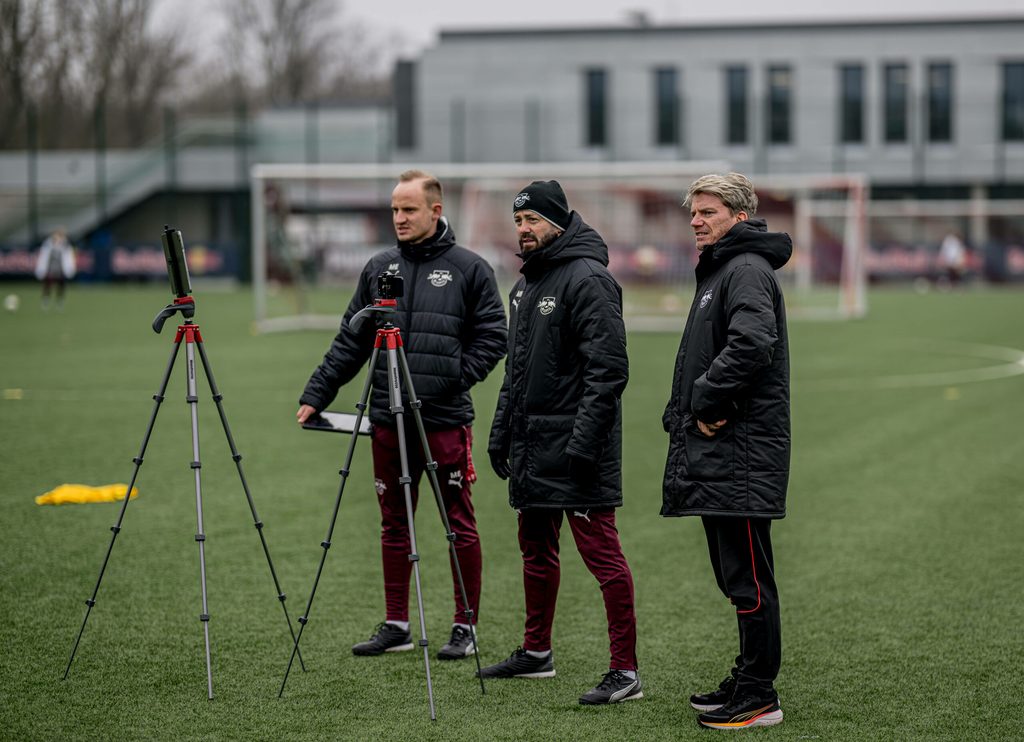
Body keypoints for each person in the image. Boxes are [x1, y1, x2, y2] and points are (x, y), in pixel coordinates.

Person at [297, 170, 507, 661]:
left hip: (444, 419)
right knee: (394, 523)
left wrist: (453, 377)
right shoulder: (377, 267)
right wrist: (318, 393)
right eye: (394, 209)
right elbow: (352, 339)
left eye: (409, 209)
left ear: (436, 210)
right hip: (387, 420)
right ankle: (397, 624)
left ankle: (465, 625)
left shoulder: (470, 268)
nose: (399, 218)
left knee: (459, 522)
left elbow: (494, 335)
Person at [483, 180, 641, 706]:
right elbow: (516, 370)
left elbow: (609, 371)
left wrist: (583, 444)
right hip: (532, 444)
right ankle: (536, 653)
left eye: (532, 221)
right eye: (518, 222)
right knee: (535, 549)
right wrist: (501, 429)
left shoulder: (589, 279)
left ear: (557, 221)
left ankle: (625, 671)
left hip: (578, 449)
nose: (524, 231)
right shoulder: (525, 285)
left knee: (602, 556)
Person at [661, 172, 791, 730]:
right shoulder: (722, 268)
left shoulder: (744, 269)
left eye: (707, 212)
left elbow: (752, 344)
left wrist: (706, 399)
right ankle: (747, 676)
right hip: (723, 452)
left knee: (749, 579)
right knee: (736, 575)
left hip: (739, 452)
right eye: (693, 212)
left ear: (738, 216)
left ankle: (760, 695)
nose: (696, 220)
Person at [34, 228, 76, 309]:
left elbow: (69, 259)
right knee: (48, 285)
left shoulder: (66, 246)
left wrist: (70, 269)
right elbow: (43, 258)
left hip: (60, 270)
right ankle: (45, 300)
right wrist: (41, 269)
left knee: (61, 285)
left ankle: (60, 301)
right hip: (51, 269)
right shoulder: (48, 245)